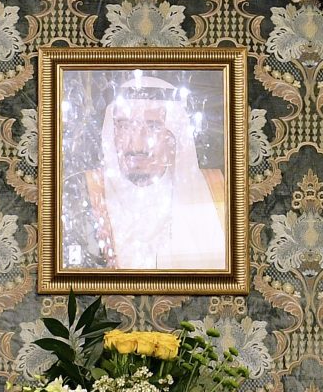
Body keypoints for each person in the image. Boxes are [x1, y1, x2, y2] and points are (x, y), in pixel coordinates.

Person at [62, 71, 227, 270]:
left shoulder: (216, 193)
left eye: (153, 127)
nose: (137, 145)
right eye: (124, 126)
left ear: (175, 136)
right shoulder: (83, 193)